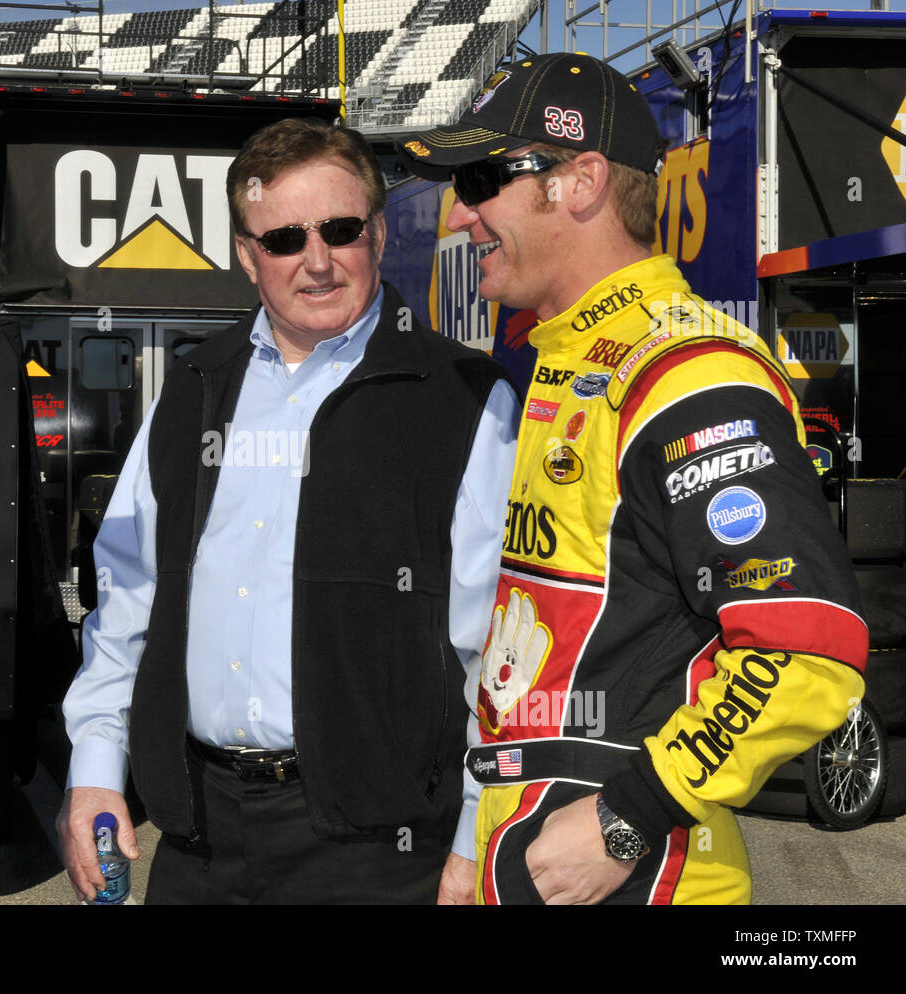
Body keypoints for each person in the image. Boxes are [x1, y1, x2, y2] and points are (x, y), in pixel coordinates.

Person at [398, 52, 868, 904]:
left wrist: (633, 813)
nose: (460, 215)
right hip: (534, 843)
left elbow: (808, 649)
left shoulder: (685, 371)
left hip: (638, 870)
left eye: (480, 179)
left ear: (579, 182)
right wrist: (478, 839)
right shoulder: (560, 358)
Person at [59, 117, 519, 904]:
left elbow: (496, 651)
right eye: (283, 240)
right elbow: (126, 602)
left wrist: (480, 838)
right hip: (199, 841)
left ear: (377, 232)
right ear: (246, 255)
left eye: (340, 230)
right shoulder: (192, 390)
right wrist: (95, 774)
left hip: (383, 856)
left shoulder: (467, 400)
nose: (316, 261)